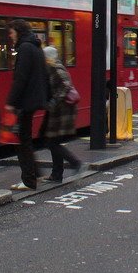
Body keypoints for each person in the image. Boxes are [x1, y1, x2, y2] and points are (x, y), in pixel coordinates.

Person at [5, 19, 49, 191]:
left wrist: (11, 102)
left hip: (24, 102)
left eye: (12, 32)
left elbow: (20, 78)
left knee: (22, 142)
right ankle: (33, 175)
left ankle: (28, 180)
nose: (10, 35)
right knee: (25, 140)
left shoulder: (24, 48)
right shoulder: (35, 46)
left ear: (18, 31)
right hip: (32, 100)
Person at [40, 45, 82, 182]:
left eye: (44, 57)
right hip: (59, 112)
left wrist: (54, 101)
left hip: (61, 112)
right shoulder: (52, 68)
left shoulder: (56, 68)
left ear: (49, 58)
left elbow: (65, 86)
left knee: (52, 143)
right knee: (53, 142)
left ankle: (74, 162)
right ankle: (56, 175)